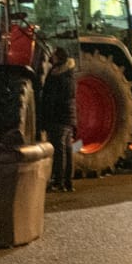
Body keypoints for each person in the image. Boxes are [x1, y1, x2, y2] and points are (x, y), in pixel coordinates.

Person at [40, 51, 78, 192]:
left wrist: (45, 118)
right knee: (68, 150)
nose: (51, 58)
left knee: (59, 150)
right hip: (68, 118)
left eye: (54, 56)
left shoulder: (57, 76)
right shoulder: (70, 75)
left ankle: (58, 181)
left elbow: (51, 99)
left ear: (59, 59)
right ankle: (68, 182)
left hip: (58, 118)